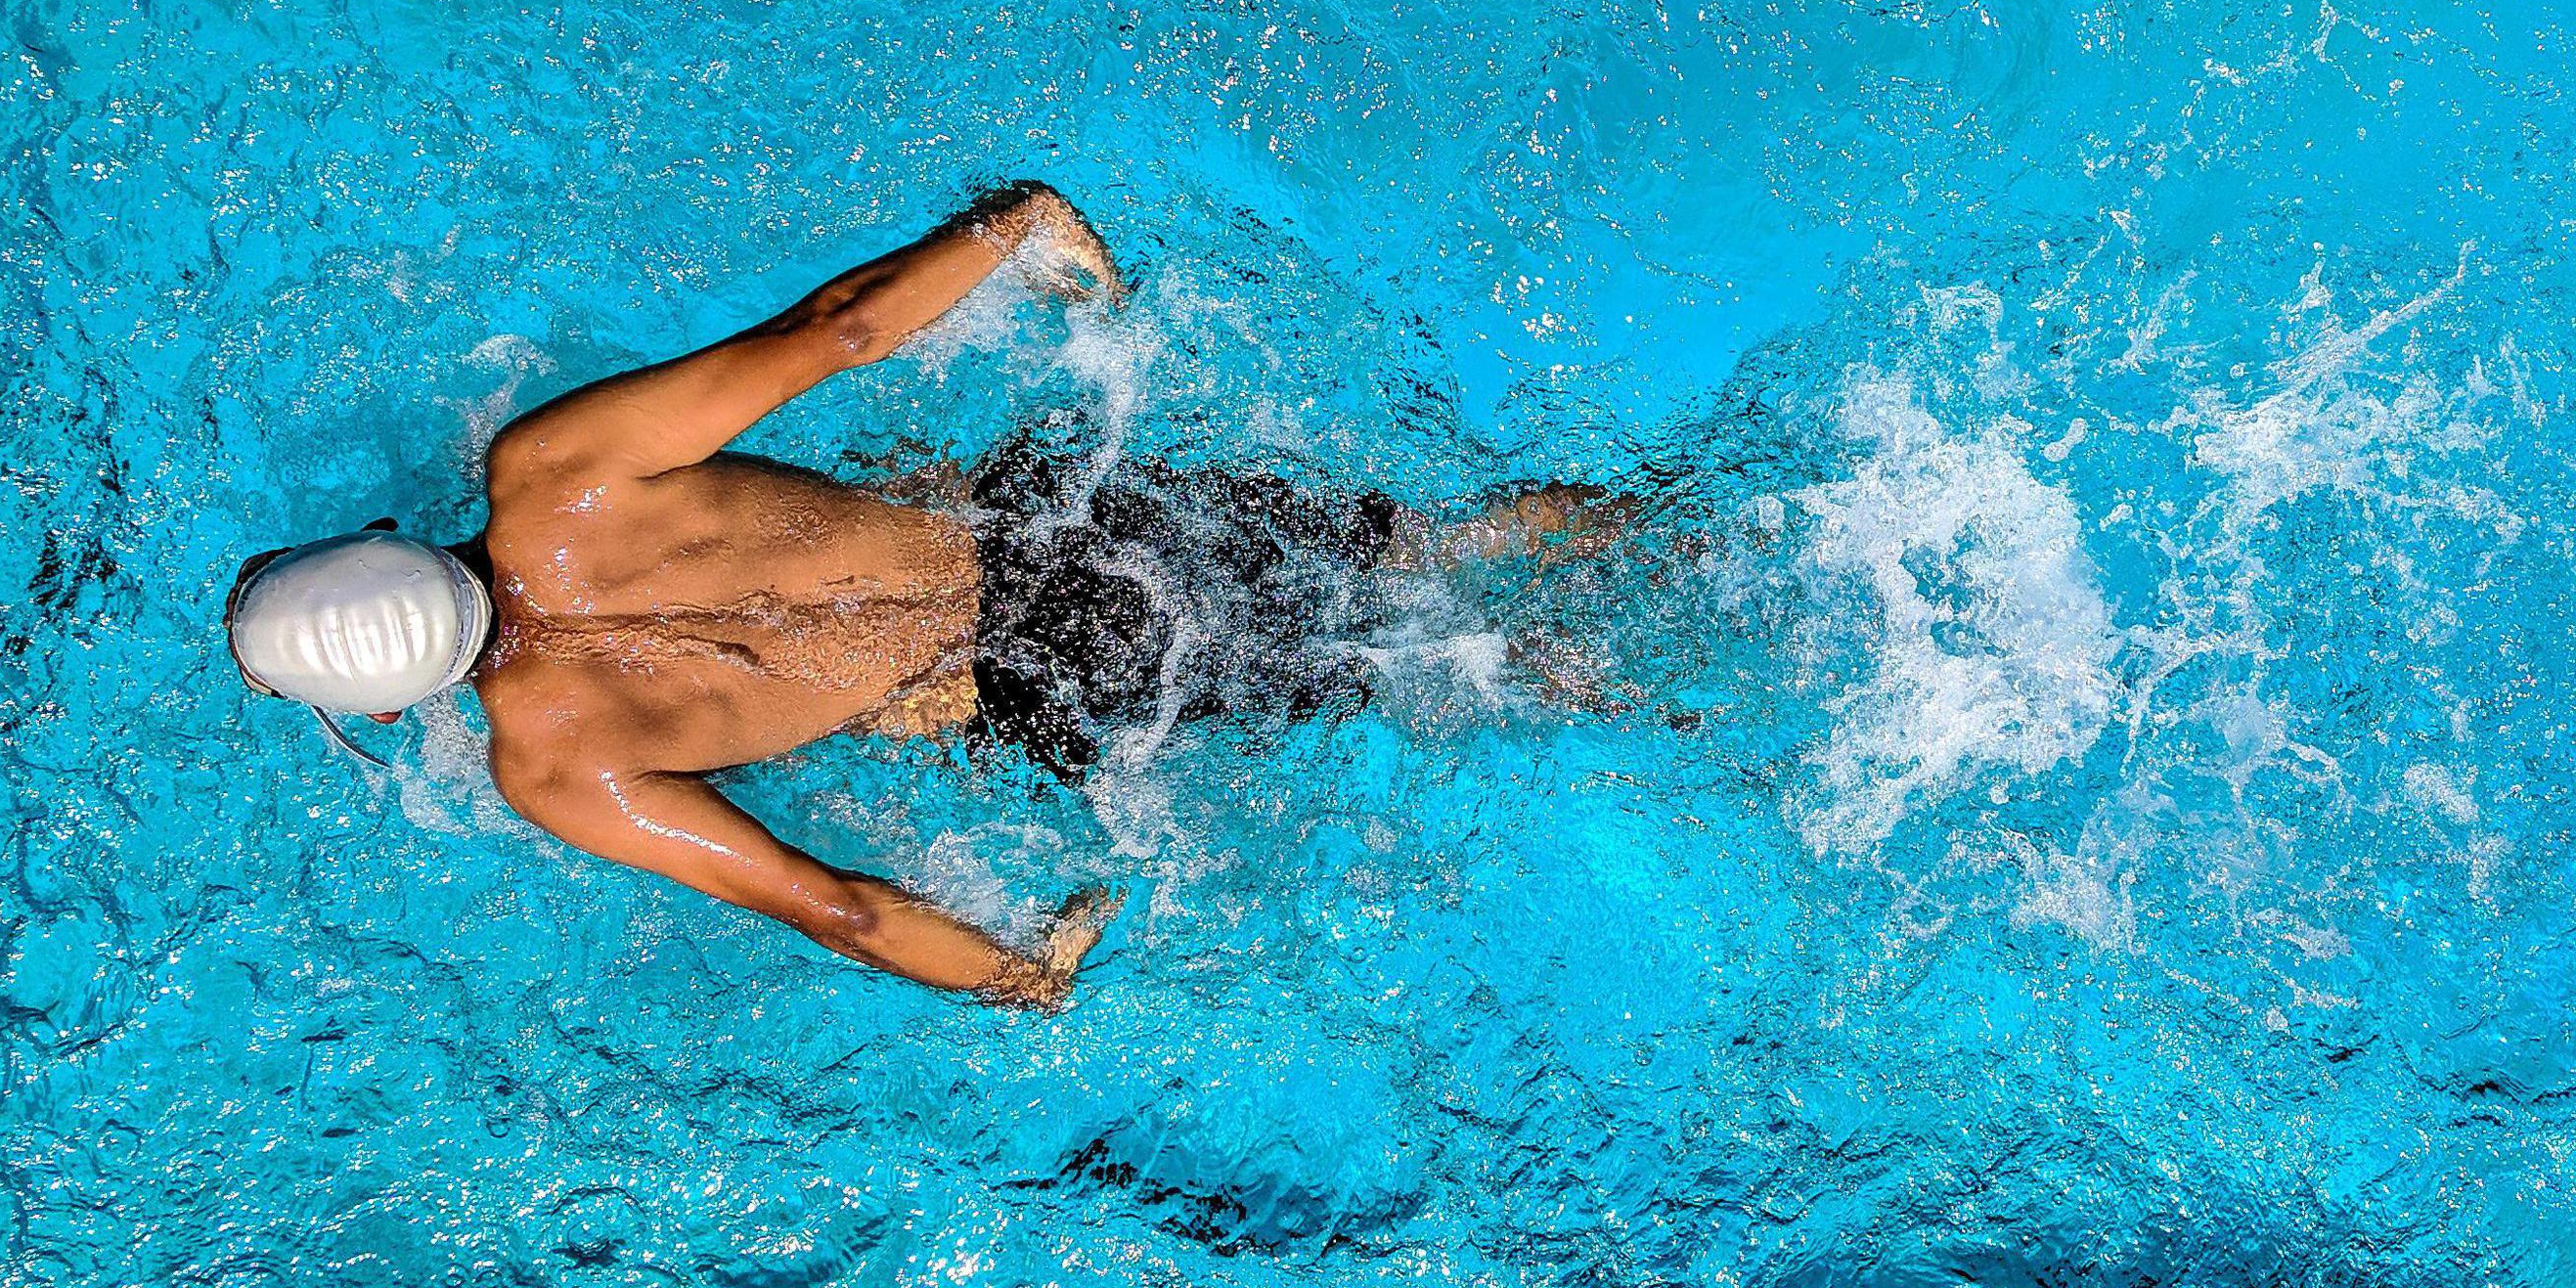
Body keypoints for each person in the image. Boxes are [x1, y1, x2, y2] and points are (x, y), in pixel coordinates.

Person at [226, 187, 1620, 1010]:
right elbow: (830, 334)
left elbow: (833, 908)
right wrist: (1012, 225)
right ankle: (1689, 526)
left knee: (1425, 667)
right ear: (378, 538)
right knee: (1429, 545)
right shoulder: (553, 472)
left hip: (1055, 682)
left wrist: (1022, 978)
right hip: (1062, 538)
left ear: (396, 700)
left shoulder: (553, 765)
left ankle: (1631, 693)